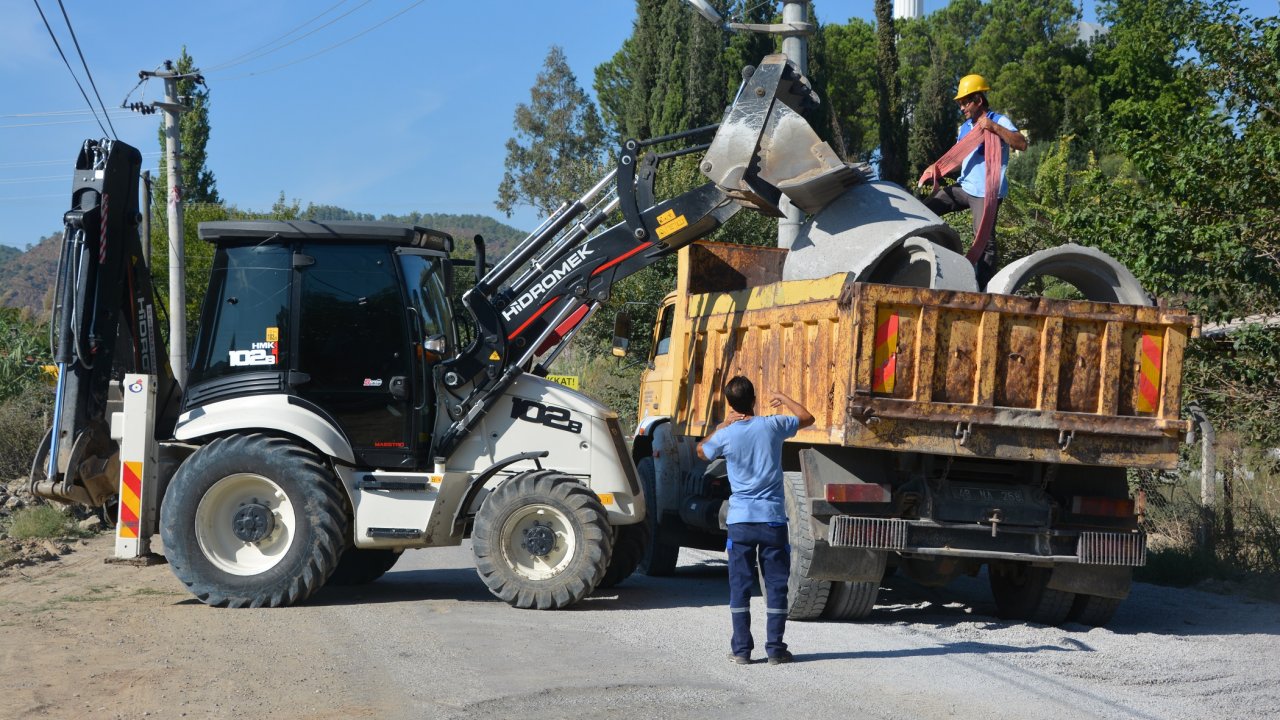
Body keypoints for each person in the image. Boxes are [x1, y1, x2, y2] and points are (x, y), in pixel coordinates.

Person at [696, 376, 814, 666]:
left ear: (730, 404)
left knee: (740, 586)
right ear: (754, 399)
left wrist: (720, 426)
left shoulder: (727, 435)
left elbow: (700, 452)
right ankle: (775, 650)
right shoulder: (772, 426)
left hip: (740, 522)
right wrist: (784, 396)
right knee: (775, 586)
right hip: (772, 520)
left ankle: (741, 651)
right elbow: (807, 418)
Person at [921, 74, 1028, 289]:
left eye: (965, 102)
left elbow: (1021, 144)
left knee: (984, 241)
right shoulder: (964, 129)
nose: (962, 108)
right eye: (960, 103)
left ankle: (983, 288)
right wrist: (938, 169)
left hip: (986, 193)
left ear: (979, 100)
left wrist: (993, 128)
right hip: (965, 187)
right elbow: (962, 159)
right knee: (925, 210)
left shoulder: (998, 120)